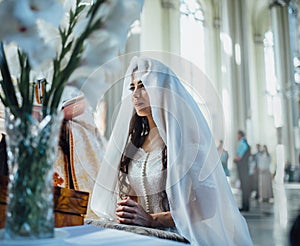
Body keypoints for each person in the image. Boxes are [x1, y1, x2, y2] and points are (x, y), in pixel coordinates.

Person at [91, 56, 252, 245]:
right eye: (132, 87)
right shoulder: (134, 144)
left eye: (143, 86)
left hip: (177, 236)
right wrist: (129, 212)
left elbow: (208, 207)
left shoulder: (188, 143)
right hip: (140, 236)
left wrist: (153, 220)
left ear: (163, 90)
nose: (135, 94)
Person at [233, 130, 251, 212]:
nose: (236, 137)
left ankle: (245, 206)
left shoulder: (243, 144)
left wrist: (235, 159)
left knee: (245, 188)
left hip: (243, 170)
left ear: (240, 135)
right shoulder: (244, 143)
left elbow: (239, 157)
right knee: (245, 188)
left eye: (237, 135)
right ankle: (245, 205)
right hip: (245, 169)